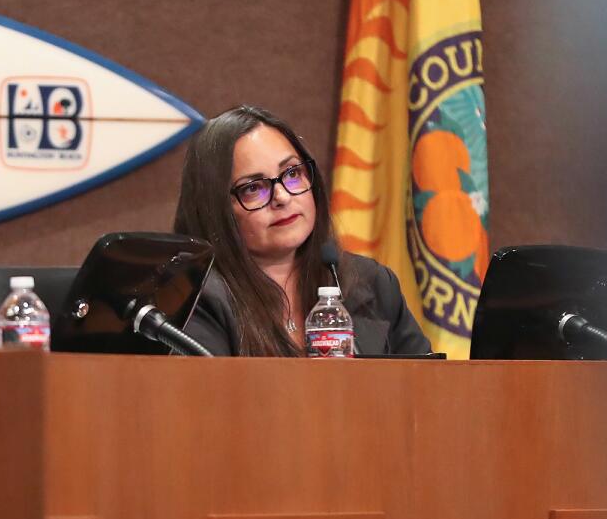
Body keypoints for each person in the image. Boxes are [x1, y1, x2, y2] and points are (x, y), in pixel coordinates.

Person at [174, 104, 430, 357]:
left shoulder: (372, 283)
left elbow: (429, 385)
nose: (282, 197)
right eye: (253, 188)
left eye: (292, 173)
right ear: (214, 209)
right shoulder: (198, 301)